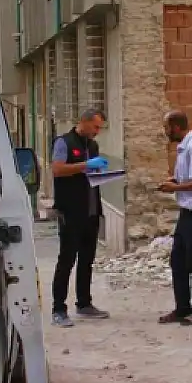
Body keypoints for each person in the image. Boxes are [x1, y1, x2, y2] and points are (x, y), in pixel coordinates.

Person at [50, 108, 112, 327]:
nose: (97, 132)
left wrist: (101, 172)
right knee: (67, 260)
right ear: (83, 122)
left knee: (87, 260)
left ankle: (84, 304)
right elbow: (57, 170)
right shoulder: (64, 142)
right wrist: (85, 165)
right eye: (95, 127)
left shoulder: (92, 145)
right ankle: (58, 309)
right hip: (71, 211)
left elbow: (90, 175)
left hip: (91, 211)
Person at [157, 110, 192, 326]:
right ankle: (182, 308)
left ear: (176, 127)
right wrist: (174, 181)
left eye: (167, 128)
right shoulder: (183, 148)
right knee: (178, 262)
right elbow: (189, 178)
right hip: (186, 213)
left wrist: (175, 187)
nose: (166, 132)